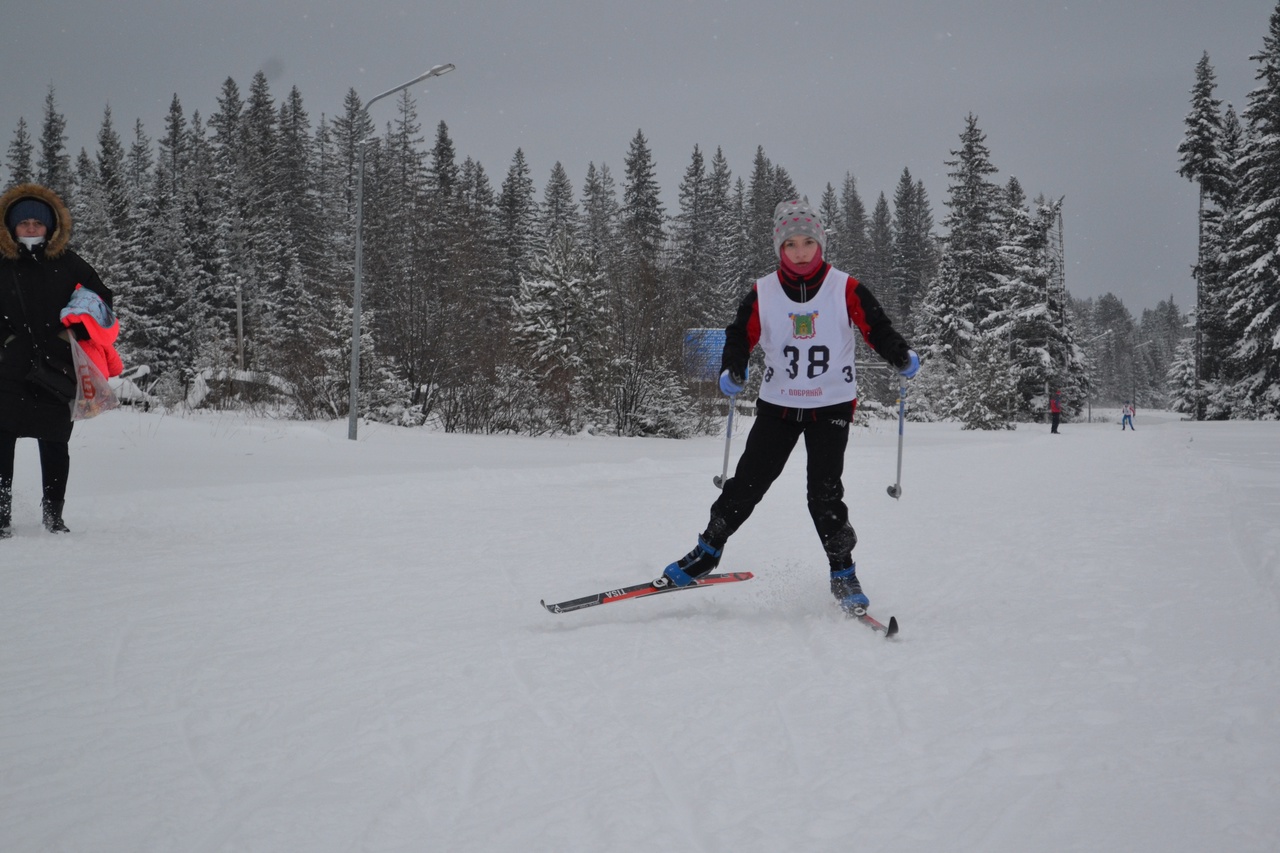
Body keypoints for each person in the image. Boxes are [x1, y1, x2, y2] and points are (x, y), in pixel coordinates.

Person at [656, 198, 918, 614]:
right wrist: (734, 369)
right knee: (747, 484)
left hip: (831, 405)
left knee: (825, 495)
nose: (800, 252)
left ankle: (843, 572)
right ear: (779, 246)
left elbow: (877, 328)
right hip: (779, 405)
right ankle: (708, 549)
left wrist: (900, 355)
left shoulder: (845, 287)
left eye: (808, 243)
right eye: (791, 244)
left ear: (821, 244)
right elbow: (739, 336)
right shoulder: (763, 291)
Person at [1, 183, 117, 538]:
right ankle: (1, 517)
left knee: (55, 443)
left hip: (55, 369)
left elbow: (102, 302)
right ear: (11, 227)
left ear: (51, 226)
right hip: (7, 369)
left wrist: (74, 334)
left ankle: (54, 516)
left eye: (38, 222)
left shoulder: (68, 263)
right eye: (24, 223)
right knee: (1, 441)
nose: (32, 228)